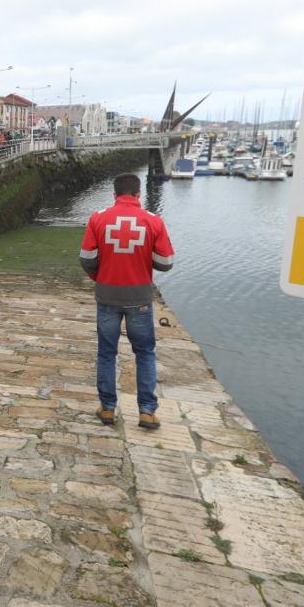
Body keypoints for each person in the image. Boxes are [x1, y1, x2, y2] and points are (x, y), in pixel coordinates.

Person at [78, 173, 175, 428]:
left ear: (114, 194)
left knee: (107, 353)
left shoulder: (98, 218)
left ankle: (108, 409)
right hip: (140, 297)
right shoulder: (153, 221)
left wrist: (99, 275)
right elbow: (166, 263)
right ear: (139, 194)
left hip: (107, 296)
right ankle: (146, 412)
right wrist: (144, 262)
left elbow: (86, 258)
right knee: (144, 353)